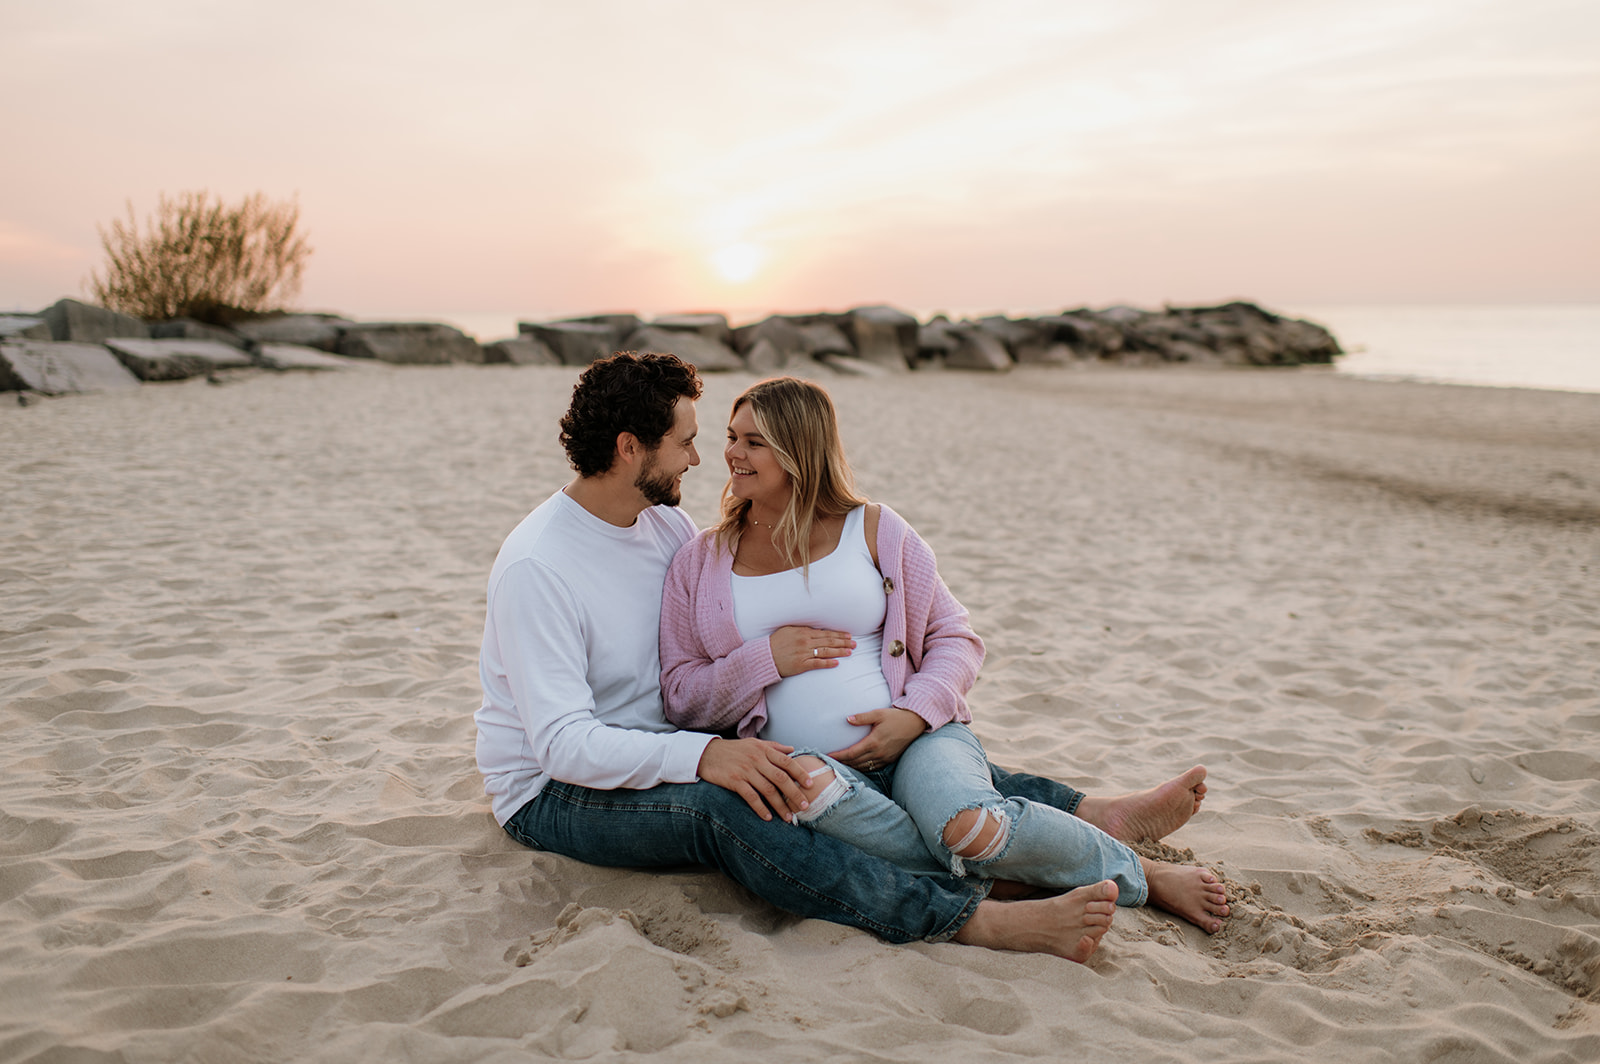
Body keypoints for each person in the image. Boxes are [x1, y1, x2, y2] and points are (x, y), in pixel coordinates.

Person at [475, 351, 1197, 963]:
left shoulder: (659, 522)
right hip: (556, 790)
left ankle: (1088, 816)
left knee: (886, 760)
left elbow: (707, 644)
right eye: (689, 441)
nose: (705, 459)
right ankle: (971, 916)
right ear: (631, 447)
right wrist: (704, 757)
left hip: (670, 738)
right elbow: (563, 744)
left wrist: (723, 732)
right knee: (736, 806)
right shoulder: (539, 566)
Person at [658, 376, 1230, 934]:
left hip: (921, 743)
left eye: (753, 441)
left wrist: (914, 715)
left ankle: (1146, 876)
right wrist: (766, 659)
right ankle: (1027, 866)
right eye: (732, 436)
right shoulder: (702, 559)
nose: (731, 452)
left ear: (799, 448)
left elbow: (956, 637)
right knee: (802, 783)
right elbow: (682, 697)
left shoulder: (876, 530)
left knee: (968, 826)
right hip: (819, 776)